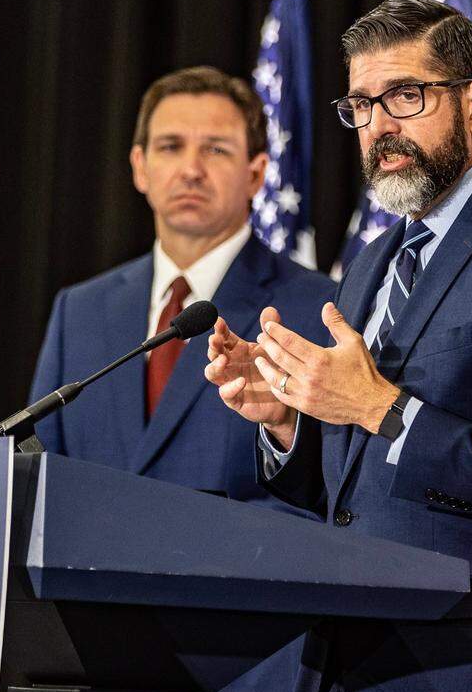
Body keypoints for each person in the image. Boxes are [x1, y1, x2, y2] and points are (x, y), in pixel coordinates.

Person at [205, 0, 472, 692]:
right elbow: (356, 498)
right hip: (349, 678)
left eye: (405, 95)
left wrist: (381, 408)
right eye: (361, 106)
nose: (379, 126)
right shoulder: (375, 261)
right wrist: (289, 420)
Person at [30, 66, 335, 515]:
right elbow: (40, 480)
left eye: (215, 149)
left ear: (256, 174)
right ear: (140, 167)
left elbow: (331, 496)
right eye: (171, 147)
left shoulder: (318, 308)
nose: (191, 170)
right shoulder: (79, 310)